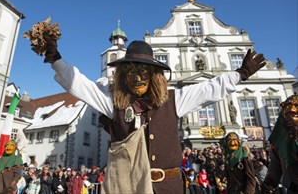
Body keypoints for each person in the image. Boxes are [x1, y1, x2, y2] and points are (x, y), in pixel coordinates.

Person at [25, 20, 266, 194]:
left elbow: (208, 89)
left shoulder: (173, 99)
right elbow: (79, 84)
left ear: (154, 75)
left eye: (143, 72)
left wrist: (240, 74)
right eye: (131, 72)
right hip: (126, 187)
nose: (137, 77)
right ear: (121, 76)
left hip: (168, 188)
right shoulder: (112, 102)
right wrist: (55, 58)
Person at [261, 94, 298, 194]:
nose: (292, 110)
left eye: (297, 106)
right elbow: (275, 166)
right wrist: (269, 184)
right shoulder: (280, 138)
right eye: (288, 106)